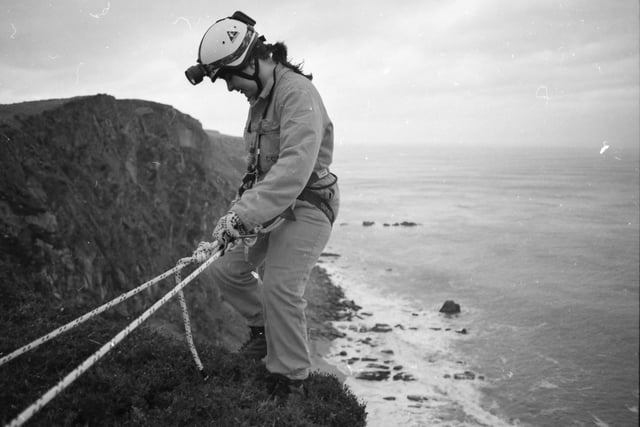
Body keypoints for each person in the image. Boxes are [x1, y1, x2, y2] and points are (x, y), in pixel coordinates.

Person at [185, 11, 339, 400]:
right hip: (274, 209)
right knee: (224, 267)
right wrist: (235, 217)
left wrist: (244, 215)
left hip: (308, 207)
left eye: (228, 78)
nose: (230, 88)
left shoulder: (296, 94)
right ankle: (265, 330)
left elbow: (293, 169)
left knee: (281, 286)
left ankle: (290, 381)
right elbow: (257, 171)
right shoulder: (261, 99)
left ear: (250, 63)